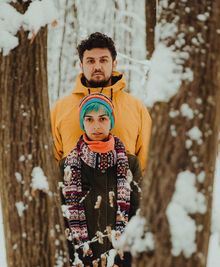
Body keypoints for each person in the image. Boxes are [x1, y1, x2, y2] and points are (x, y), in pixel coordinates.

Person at [51, 32, 151, 171]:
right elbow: (50, 161)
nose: (97, 67)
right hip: (74, 191)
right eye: (90, 61)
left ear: (114, 64)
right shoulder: (60, 109)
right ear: (81, 65)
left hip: (124, 191)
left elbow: (147, 161)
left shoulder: (136, 108)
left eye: (103, 60)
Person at [60, 93, 141, 266]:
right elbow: (61, 219)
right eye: (89, 119)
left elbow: (138, 214)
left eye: (102, 118)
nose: (96, 125)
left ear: (111, 121)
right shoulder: (66, 166)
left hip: (121, 259)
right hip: (80, 259)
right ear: (82, 123)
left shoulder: (130, 163)